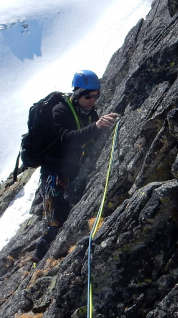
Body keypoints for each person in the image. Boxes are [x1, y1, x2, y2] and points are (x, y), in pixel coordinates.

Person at [32, 70, 119, 263]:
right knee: (55, 222)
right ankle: (37, 263)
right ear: (78, 93)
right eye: (88, 96)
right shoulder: (60, 110)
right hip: (53, 172)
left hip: (71, 170)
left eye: (96, 95)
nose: (92, 100)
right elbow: (67, 139)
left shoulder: (88, 112)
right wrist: (96, 126)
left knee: (67, 214)